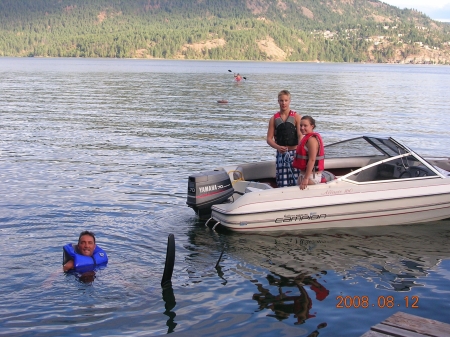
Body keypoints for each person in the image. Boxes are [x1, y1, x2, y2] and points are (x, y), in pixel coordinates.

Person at [266, 90, 302, 187]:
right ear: (278, 101)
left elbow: (300, 135)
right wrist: (278, 147)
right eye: (281, 101)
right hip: (281, 153)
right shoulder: (273, 119)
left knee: (297, 180)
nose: (284, 103)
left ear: (289, 101)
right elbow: (269, 139)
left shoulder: (297, 117)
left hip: (294, 152)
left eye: (286, 100)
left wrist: (301, 149)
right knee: (282, 182)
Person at [292, 116, 325, 190]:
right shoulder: (306, 137)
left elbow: (312, 160)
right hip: (304, 175)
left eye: (305, 126)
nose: (302, 128)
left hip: (311, 177)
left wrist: (306, 178)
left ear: (312, 126)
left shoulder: (312, 140)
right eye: (301, 125)